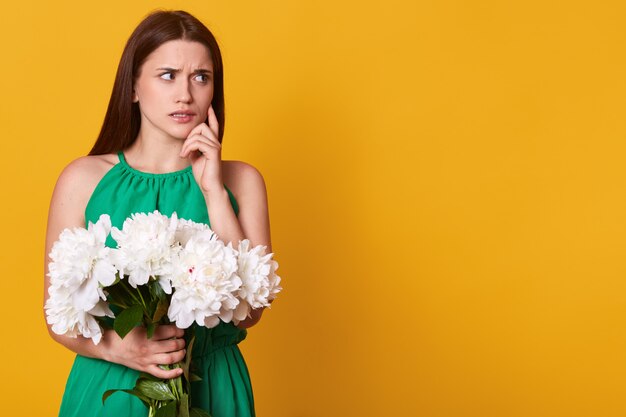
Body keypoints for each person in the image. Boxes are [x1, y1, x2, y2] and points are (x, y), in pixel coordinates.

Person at [43, 9, 271, 417]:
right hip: (112, 385)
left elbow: (251, 311)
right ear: (133, 87)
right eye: (167, 75)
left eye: (201, 77)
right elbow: (57, 317)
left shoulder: (241, 182)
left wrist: (214, 192)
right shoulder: (82, 179)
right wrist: (122, 348)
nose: (185, 94)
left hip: (213, 385)